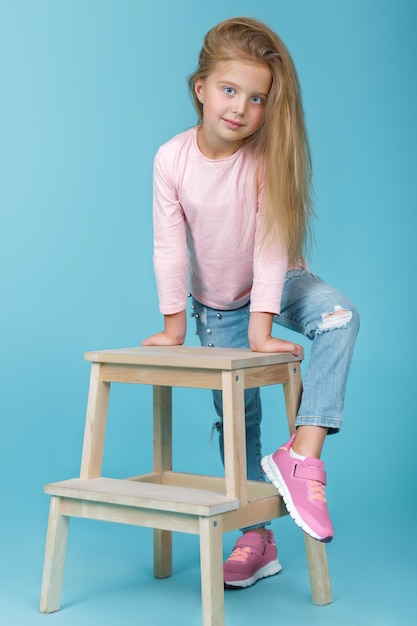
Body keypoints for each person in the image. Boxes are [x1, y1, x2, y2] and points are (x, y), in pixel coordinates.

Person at [142, 16, 359, 589]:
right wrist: (172, 328)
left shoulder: (263, 161)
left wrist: (263, 328)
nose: (239, 108)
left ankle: (304, 458)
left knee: (340, 317)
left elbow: (268, 251)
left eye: (256, 98)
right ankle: (256, 539)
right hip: (217, 305)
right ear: (200, 88)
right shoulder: (171, 159)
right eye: (228, 90)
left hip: (278, 281)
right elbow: (169, 248)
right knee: (239, 419)